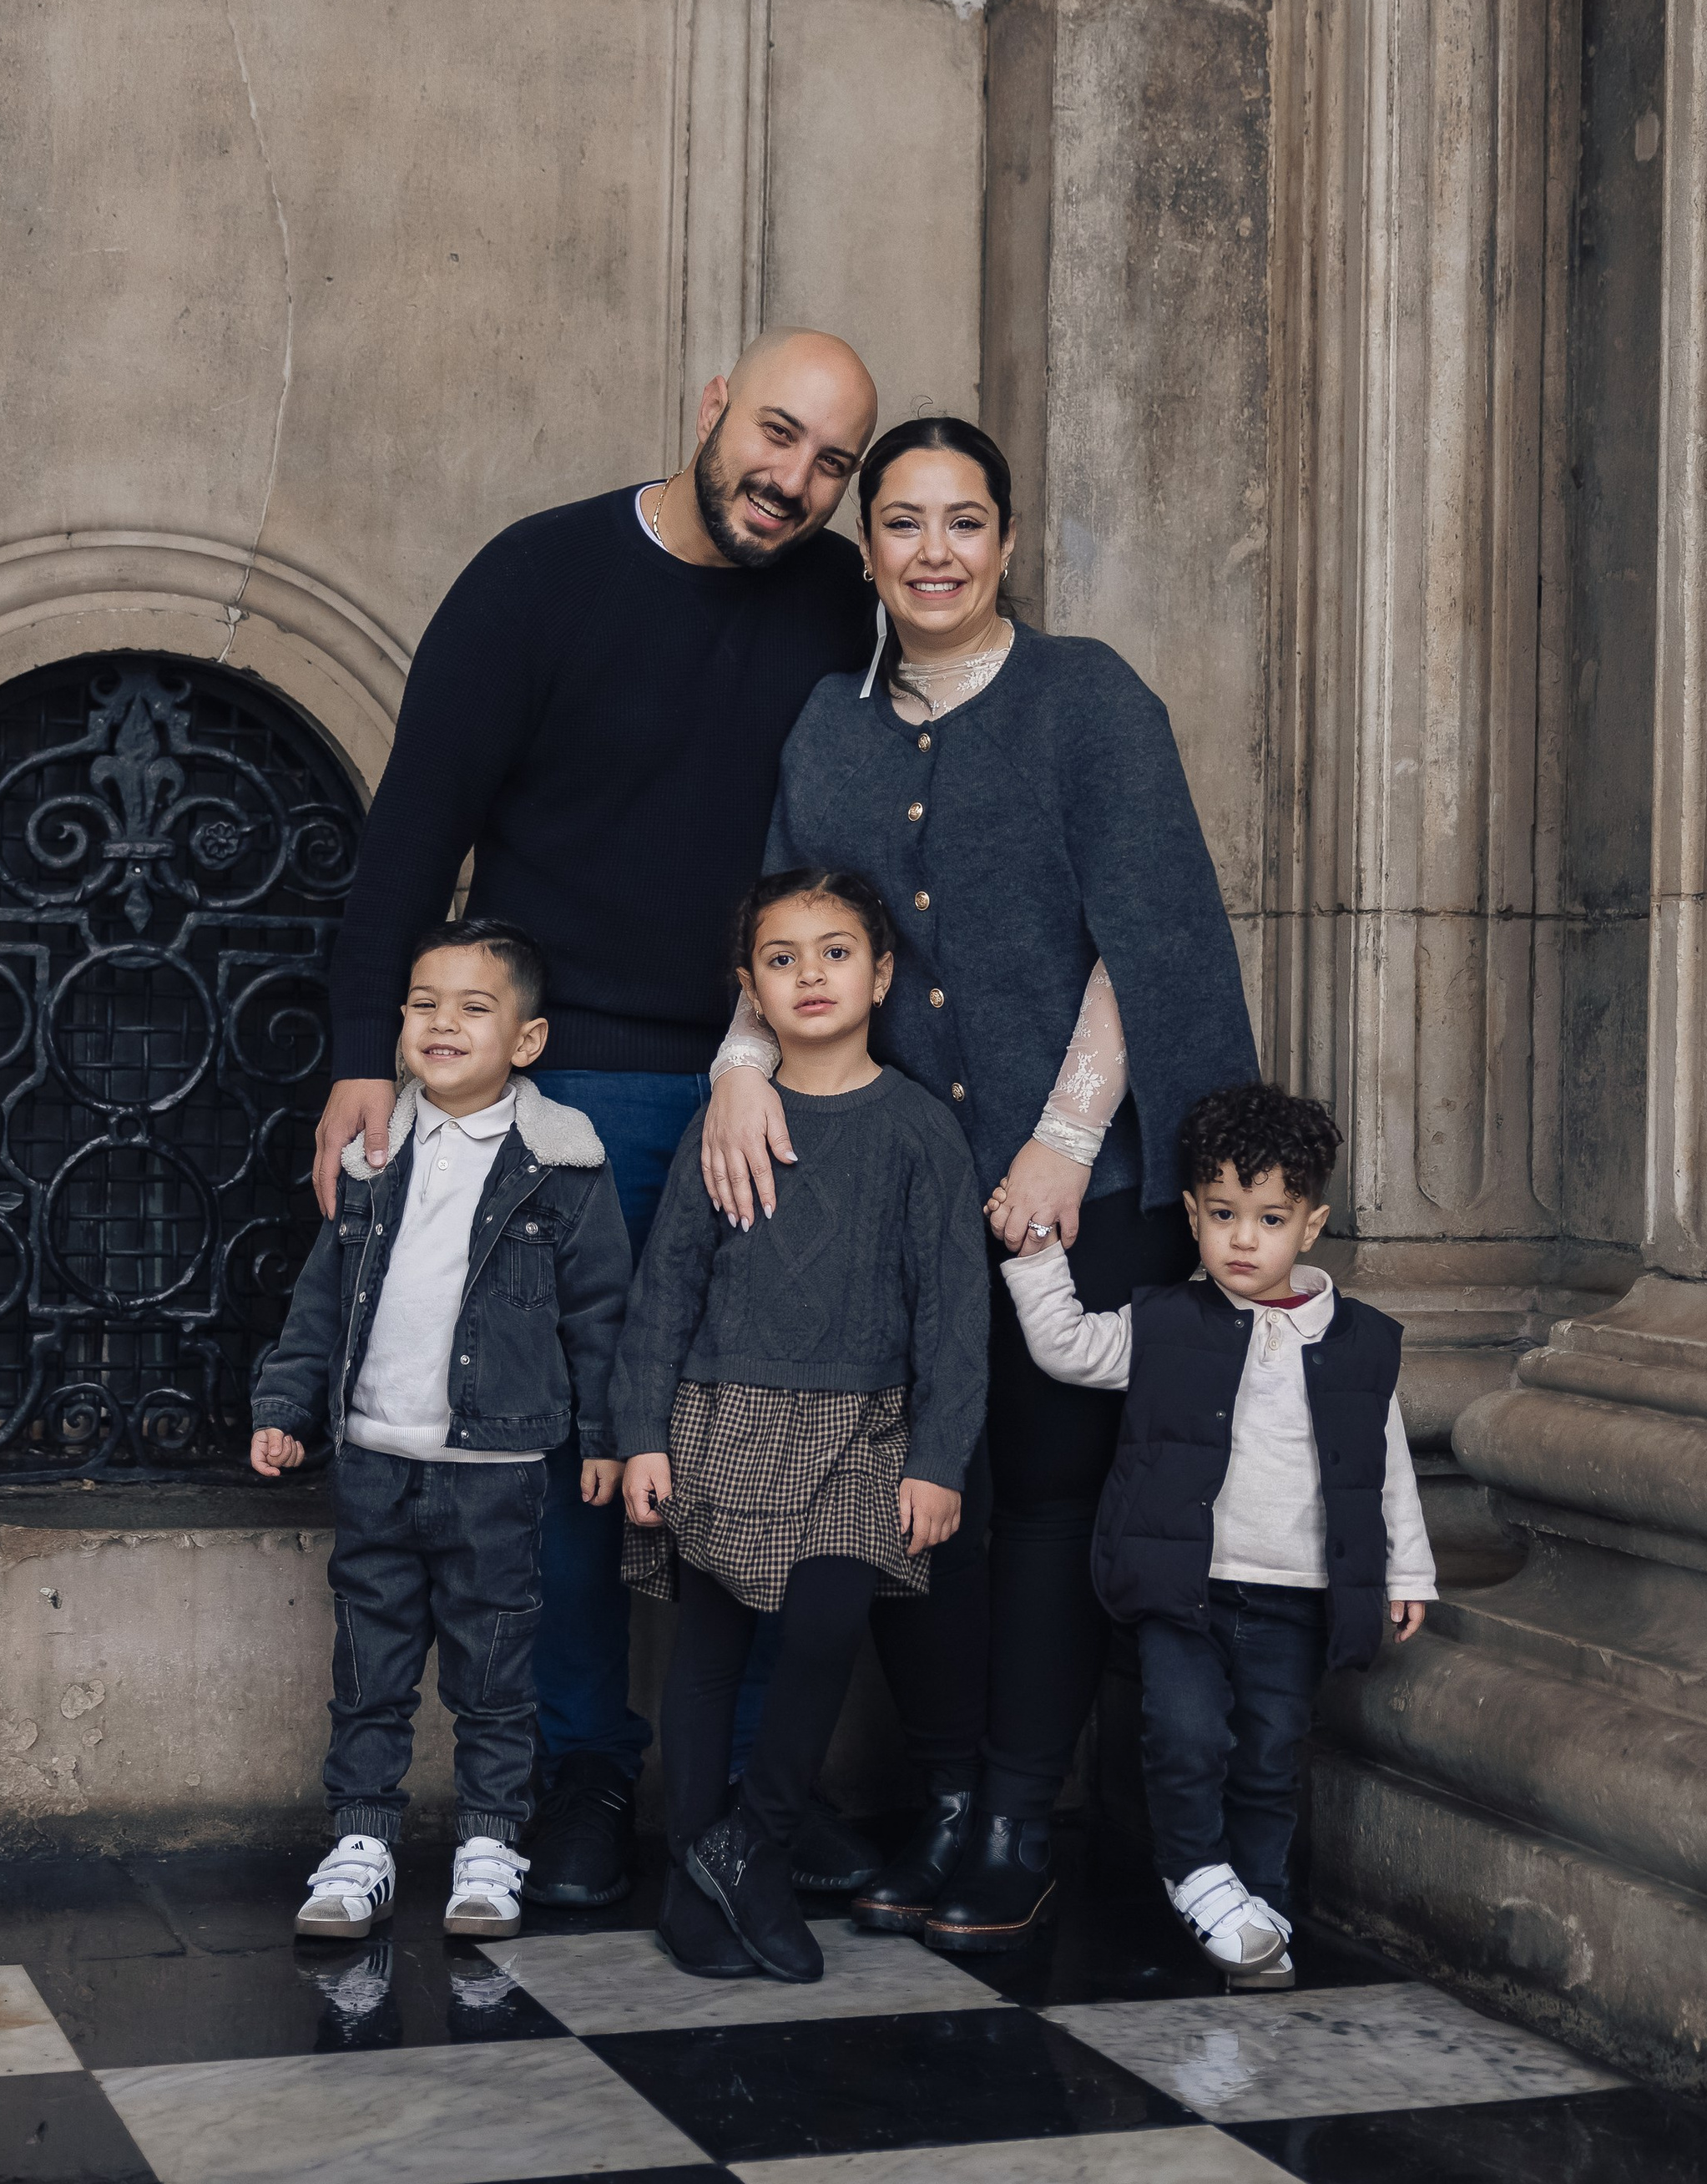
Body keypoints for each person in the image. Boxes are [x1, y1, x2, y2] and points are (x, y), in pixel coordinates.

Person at [311, 331, 879, 1910]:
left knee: (772, 1429)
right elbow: (418, 820)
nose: (796, 480)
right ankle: (577, 1771)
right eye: (777, 434)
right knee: (546, 1445)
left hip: (763, 1074)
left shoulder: (845, 604)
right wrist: (371, 1046)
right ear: (712, 407)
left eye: (833, 462)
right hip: (556, 1089)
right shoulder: (537, 578)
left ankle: (761, 1782)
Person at [703, 414, 1259, 1952]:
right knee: (912, 1492)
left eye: (964, 522)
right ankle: (946, 1797)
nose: (934, 551)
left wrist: (1065, 1143)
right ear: (866, 548)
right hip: (904, 1188)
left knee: (1047, 1495)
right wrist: (738, 1067)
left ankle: (1018, 1819)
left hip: (1089, 1180)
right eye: (902, 523)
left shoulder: (1090, 700)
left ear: (1008, 542)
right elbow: (788, 924)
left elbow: (1142, 943)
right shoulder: (831, 725)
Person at [605, 870, 987, 1981]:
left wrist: (939, 1458)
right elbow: (666, 1287)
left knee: (824, 1627)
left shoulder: (918, 1131)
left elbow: (956, 1317)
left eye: (834, 952)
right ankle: (693, 1875)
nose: (809, 975)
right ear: (750, 990)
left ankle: (753, 1847)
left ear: (882, 975)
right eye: (782, 958)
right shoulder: (723, 1126)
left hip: (866, 1426)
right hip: (727, 1413)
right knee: (710, 1648)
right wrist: (641, 1433)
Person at [1003, 1080, 1436, 1986]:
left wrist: (1407, 1572)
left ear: (1308, 1227)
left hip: (1295, 1596)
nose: (1244, 1239)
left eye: (1269, 1218)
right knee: (1186, 1735)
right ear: (1194, 1215)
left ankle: (1260, 1901)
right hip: (1185, 1590)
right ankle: (1197, 1873)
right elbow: (1068, 1347)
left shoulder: (1355, 1342)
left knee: (1271, 1754)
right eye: (1224, 1214)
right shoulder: (1167, 1324)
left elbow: (1381, 1464)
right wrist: (1034, 1252)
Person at [251, 920, 631, 1941]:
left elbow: (600, 1318)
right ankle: (360, 1844)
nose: (442, 1023)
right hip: (376, 1460)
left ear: (528, 1039)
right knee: (369, 1670)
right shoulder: (379, 1155)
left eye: (474, 1007)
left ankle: (491, 1844)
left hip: (497, 1473)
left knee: (495, 1676)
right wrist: (286, 1409)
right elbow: (319, 1303)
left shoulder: (565, 1165)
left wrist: (605, 1436)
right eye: (424, 1003)